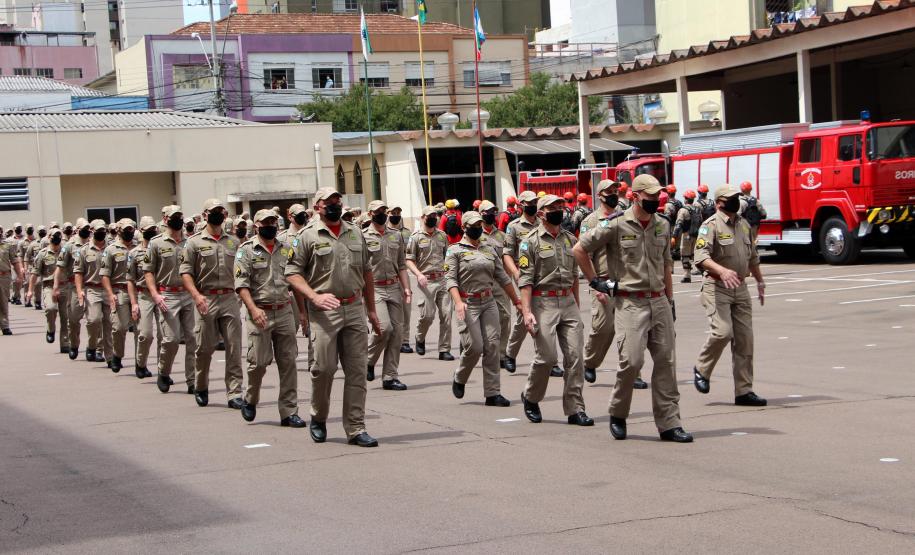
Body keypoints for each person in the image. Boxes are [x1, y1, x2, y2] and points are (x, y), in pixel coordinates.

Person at [574, 174, 693, 443]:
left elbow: (666, 266)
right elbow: (580, 249)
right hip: (630, 301)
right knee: (632, 361)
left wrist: (670, 301)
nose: (655, 200)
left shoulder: (662, 223)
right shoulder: (615, 224)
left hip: (659, 300)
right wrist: (595, 282)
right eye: (650, 196)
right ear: (635, 196)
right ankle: (618, 411)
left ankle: (669, 423)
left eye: (657, 196)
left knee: (666, 361)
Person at [285, 187, 382, 448]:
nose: (335, 206)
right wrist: (313, 297)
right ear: (317, 207)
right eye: (329, 202)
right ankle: (318, 417)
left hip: (354, 308)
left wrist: (371, 310)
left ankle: (356, 427)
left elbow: (367, 272)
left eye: (338, 201)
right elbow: (292, 274)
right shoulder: (305, 237)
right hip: (324, 312)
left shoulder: (355, 232)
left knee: (357, 371)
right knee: (323, 369)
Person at [517, 195, 594, 426]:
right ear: (541, 213)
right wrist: (526, 312)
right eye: (553, 208)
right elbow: (525, 280)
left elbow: (573, 277)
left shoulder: (570, 239)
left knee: (575, 357)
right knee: (547, 357)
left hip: (567, 301)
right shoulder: (529, 242)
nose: (559, 211)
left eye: (561, 207)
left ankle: (575, 408)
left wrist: (577, 306)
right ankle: (531, 397)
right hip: (543, 303)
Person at [693, 185, 767, 407]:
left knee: (745, 339)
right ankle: (702, 369)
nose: (736, 201)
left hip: (740, 288)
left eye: (737, 197)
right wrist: (722, 271)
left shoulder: (743, 224)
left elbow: (752, 256)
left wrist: (760, 280)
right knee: (723, 332)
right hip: (717, 286)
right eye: (731, 198)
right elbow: (701, 257)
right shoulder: (710, 226)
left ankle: (744, 391)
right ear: (719, 203)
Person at [233, 209, 306, 427]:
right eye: (266, 222)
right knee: (259, 363)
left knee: (288, 362)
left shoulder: (287, 248)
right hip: (260, 312)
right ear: (256, 226)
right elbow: (241, 285)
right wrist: (253, 309)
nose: (271, 225)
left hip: (284, 310)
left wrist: (301, 312)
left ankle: (289, 411)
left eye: (273, 221)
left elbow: (296, 281)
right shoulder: (245, 251)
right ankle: (250, 398)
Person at [445, 211, 521, 406]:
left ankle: (492, 393)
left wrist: (517, 300)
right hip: (467, 303)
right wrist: (458, 302)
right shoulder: (455, 251)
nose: (478, 228)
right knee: (475, 346)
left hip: (488, 302)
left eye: (480, 224)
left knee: (493, 346)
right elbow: (450, 279)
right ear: (464, 227)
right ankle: (460, 377)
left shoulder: (488, 249)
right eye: (474, 225)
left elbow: (502, 277)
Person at [180, 199, 245, 409]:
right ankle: (201, 385)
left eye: (221, 211)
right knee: (204, 348)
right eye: (213, 212)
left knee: (234, 347)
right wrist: (196, 296)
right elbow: (186, 273)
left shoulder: (233, 242)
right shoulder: (194, 243)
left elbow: (241, 272)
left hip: (229, 298)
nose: (218, 215)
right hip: (205, 298)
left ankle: (234, 392)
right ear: (205, 214)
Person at [579, 180, 644, 387]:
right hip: (603, 282)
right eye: (610, 192)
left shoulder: (626, 217)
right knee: (603, 328)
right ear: (600, 195)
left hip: (626, 282)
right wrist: (594, 283)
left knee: (630, 330)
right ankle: (589, 362)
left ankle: (633, 373)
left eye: (616, 191)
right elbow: (584, 254)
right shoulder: (590, 221)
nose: (614, 194)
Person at [503, 190, 560, 375]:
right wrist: (516, 273)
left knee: (546, 316)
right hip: (524, 273)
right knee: (523, 317)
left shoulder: (543, 221)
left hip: (543, 273)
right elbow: (507, 254)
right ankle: (510, 354)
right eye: (529, 202)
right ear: (521, 206)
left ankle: (549, 360)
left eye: (535, 201)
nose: (533, 205)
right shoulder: (514, 227)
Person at [144, 206, 197, 395]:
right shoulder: (156, 243)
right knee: (171, 339)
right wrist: (155, 295)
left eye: (180, 217)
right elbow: (148, 271)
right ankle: (163, 372)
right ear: (165, 219)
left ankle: (193, 380)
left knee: (193, 338)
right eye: (174, 217)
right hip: (168, 295)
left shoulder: (190, 242)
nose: (177, 220)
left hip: (188, 294)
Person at [364, 200, 412, 390]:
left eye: (384, 211)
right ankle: (368, 361)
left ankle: (390, 376)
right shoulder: (362, 236)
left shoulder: (396, 236)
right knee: (384, 329)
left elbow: (401, 264)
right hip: (374, 288)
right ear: (370, 214)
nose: (382, 214)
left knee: (397, 333)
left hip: (394, 287)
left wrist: (406, 288)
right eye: (377, 212)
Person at [405, 206, 453, 361]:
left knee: (446, 314)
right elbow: (409, 260)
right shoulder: (416, 237)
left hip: (442, 279)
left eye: (435, 215)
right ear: (423, 217)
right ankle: (420, 337)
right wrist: (418, 274)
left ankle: (444, 349)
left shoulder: (442, 236)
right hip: (426, 280)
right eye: (430, 216)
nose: (433, 218)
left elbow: (448, 257)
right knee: (428, 315)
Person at [73, 219, 113, 366]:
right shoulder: (83, 250)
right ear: (92, 231)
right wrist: (79, 291)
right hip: (92, 289)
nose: (102, 234)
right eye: (98, 231)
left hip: (108, 289)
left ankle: (110, 357)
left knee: (109, 323)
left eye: (104, 231)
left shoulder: (111, 248)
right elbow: (78, 272)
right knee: (94, 320)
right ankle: (92, 345)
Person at [279, 204, 314, 372]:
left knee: (313, 327)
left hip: (311, 288)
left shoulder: (311, 234)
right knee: (290, 328)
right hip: (291, 291)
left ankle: (313, 363)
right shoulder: (282, 239)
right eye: (298, 215)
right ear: (290, 216)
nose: (303, 218)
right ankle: (289, 358)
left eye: (304, 215)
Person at [478, 200, 512, 369]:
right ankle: (477, 346)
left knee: (505, 318)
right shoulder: (475, 235)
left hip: (499, 283)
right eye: (488, 212)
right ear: (481, 214)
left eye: (494, 211)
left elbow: (508, 259)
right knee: (480, 320)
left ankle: (501, 354)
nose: (492, 215)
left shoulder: (502, 236)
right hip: (480, 283)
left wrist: (510, 279)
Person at [100, 218, 136, 373]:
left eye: (131, 229)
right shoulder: (111, 249)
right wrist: (110, 293)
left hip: (137, 291)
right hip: (119, 291)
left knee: (141, 331)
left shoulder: (139, 247)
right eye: (126, 229)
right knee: (119, 327)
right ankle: (117, 355)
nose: (129, 232)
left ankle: (140, 363)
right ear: (119, 230)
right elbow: (105, 274)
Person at [127, 217, 160, 379]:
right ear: (141, 231)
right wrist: (133, 303)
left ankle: (163, 369)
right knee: (145, 334)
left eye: (154, 228)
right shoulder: (133, 253)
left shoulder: (161, 248)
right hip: (144, 295)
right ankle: (140, 363)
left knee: (166, 336)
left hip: (162, 294)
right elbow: (130, 280)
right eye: (148, 229)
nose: (152, 231)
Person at [54, 218, 91, 359]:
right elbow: (60, 268)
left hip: (92, 285)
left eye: (88, 228)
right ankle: (74, 344)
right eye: (84, 228)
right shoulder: (69, 246)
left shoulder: (95, 244)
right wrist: (56, 287)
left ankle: (95, 348)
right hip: (74, 287)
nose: (87, 231)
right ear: (77, 229)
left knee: (95, 319)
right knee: (74, 319)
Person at [29, 226, 68, 349]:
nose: (57, 238)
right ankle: (51, 329)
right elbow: (35, 273)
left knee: (65, 316)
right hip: (49, 287)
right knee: (51, 309)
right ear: (49, 238)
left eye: (59, 235)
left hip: (65, 286)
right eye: (54, 236)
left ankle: (65, 344)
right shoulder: (42, 254)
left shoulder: (66, 252)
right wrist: (30, 290)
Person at [674, 189, 702, 283]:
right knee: (696, 255)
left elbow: (679, 224)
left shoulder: (683, 210)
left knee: (685, 255)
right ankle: (703, 272)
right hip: (696, 235)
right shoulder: (698, 209)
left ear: (685, 199)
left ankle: (687, 276)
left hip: (686, 235)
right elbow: (701, 222)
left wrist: (674, 236)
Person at [0, 224, 24, 335]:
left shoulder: (8, 245)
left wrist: (19, 275)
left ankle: (5, 326)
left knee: (3, 301)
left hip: (4, 277)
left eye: (0, 230)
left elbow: (14, 261)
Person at [738, 181, 767, 245]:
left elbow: (738, 215)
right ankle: (754, 253)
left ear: (741, 190)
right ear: (751, 189)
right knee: (754, 241)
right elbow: (763, 213)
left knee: (745, 242)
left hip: (744, 225)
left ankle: (747, 253)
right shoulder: (756, 200)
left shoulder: (741, 202)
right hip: (754, 225)